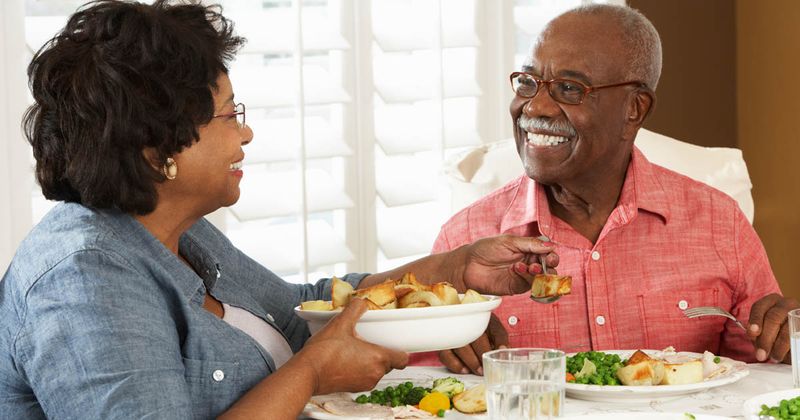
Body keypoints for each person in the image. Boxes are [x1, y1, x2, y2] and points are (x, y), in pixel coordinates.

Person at [0, 1, 559, 418]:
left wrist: (455, 269)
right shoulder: (82, 280)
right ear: (157, 150)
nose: (245, 131)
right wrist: (312, 372)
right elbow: (308, 351)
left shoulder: (180, 235)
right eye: (226, 115)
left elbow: (298, 312)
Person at [410, 3, 799, 375]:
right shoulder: (463, 240)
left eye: (568, 88)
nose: (535, 108)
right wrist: (454, 355)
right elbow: (420, 395)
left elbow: (759, 369)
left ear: (635, 109)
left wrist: (783, 336)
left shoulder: (719, 222)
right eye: (528, 83)